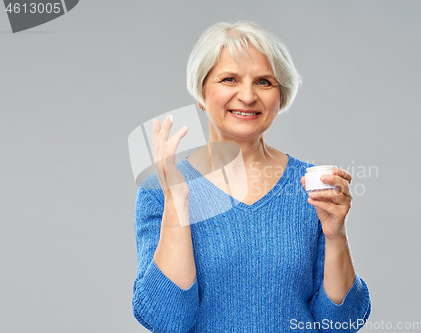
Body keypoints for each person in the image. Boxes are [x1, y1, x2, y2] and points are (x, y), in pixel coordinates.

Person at [132, 21, 371, 332]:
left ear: (280, 97)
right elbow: (168, 321)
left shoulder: (311, 187)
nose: (247, 96)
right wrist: (177, 202)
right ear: (201, 92)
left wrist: (336, 235)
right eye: (229, 79)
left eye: (264, 82)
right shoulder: (159, 192)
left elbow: (341, 323)